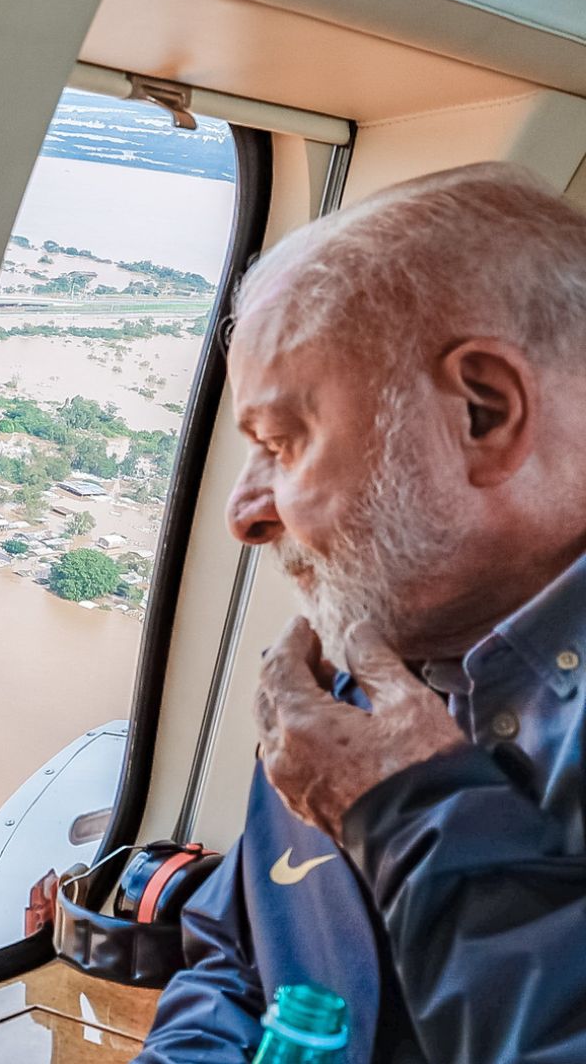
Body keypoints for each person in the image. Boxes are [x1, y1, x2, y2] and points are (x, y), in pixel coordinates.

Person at [140, 161, 586, 1062]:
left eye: (280, 441)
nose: (243, 512)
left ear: (481, 413)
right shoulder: (358, 671)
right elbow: (243, 962)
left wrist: (411, 814)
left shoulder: (373, 766)